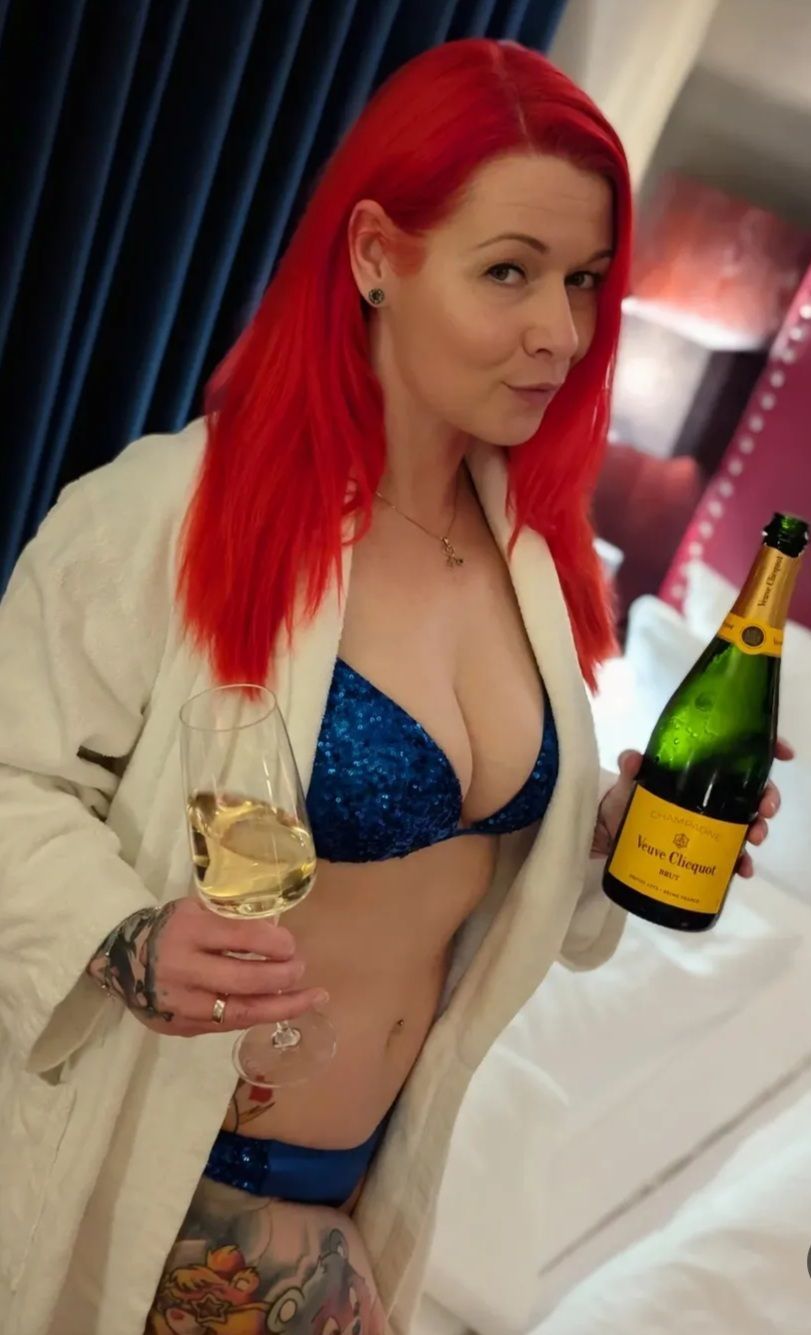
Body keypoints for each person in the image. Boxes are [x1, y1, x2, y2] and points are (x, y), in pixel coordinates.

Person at [0, 37, 786, 1335]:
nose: (562, 331)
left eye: (586, 280)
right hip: (166, 1187)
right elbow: (11, 776)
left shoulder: (531, 566)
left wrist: (604, 834)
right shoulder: (166, 512)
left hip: (351, 1203)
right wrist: (126, 938)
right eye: (510, 272)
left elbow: (471, 901)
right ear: (376, 255)